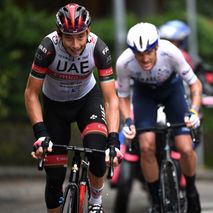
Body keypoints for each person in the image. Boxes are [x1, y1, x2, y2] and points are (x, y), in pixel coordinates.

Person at [24, 3, 123, 213]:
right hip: (55, 107)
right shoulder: (47, 48)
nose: (76, 44)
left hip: (87, 100)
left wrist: (113, 140)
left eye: (80, 36)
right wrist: (40, 134)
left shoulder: (98, 48)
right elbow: (31, 93)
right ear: (59, 34)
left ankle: (96, 201)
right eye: (69, 37)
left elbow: (111, 99)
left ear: (88, 31)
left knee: (98, 151)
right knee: (54, 180)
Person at [116, 22, 202, 213]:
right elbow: (122, 97)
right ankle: (155, 200)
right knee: (146, 147)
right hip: (144, 94)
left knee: (185, 148)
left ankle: (191, 191)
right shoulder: (124, 62)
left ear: (156, 47)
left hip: (172, 91)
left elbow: (195, 85)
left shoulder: (170, 52)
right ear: (132, 52)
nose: (145, 58)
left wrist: (194, 111)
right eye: (139, 54)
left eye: (149, 52)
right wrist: (127, 120)